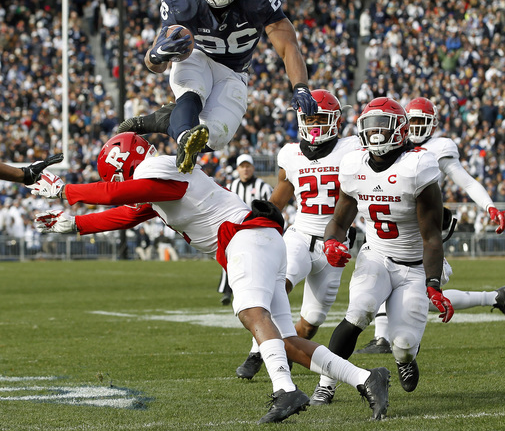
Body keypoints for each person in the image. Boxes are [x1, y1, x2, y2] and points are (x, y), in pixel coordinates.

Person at [31, 132, 390, 423]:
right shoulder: (158, 179)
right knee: (287, 342)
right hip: (259, 240)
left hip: (245, 239)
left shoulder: (157, 170)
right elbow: (125, 214)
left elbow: (118, 193)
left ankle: (285, 391)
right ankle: (365, 378)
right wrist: (74, 224)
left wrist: (68, 191)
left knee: (251, 313)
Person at [117, 0, 317, 174]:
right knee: (193, 90)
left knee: (218, 137)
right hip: (196, 56)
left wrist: (300, 86)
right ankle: (182, 138)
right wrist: (158, 54)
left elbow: (288, 45)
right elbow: (154, 65)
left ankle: (167, 121)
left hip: (235, 70)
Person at [310, 97, 454, 403]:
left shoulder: (417, 166)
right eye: (371, 126)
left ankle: (404, 358)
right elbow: (338, 221)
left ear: (400, 131)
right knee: (359, 310)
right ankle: (326, 383)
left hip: (415, 265)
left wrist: (434, 284)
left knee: (402, 343)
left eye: (383, 126)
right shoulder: (354, 165)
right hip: (376, 255)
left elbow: (431, 237)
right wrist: (332, 242)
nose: (376, 133)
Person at [235, 90, 362, 400]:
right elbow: (282, 195)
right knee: (280, 285)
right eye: (309, 118)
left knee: (310, 324)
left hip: (334, 246)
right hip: (301, 235)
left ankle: (284, 359)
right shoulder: (291, 153)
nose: (315, 125)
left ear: (336, 121)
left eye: (321, 118)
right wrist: (257, 217)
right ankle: (256, 351)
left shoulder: (352, 148)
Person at [357, 96, 505, 355]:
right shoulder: (382, 142)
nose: (414, 126)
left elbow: (466, 181)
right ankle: (494, 297)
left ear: (432, 124)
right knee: (383, 271)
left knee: (417, 292)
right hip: (389, 222)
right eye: (410, 120)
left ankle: (383, 338)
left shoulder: (438, 148)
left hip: (420, 228)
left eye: (419, 121)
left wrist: (489, 206)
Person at [218, 153, 273, 305]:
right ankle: (227, 291)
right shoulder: (230, 187)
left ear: (253, 168)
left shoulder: (263, 187)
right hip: (236, 230)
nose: (245, 169)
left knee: (258, 262)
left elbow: (272, 207)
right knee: (230, 258)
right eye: (242, 167)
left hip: (258, 229)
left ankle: (259, 291)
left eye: (247, 166)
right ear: (238, 169)